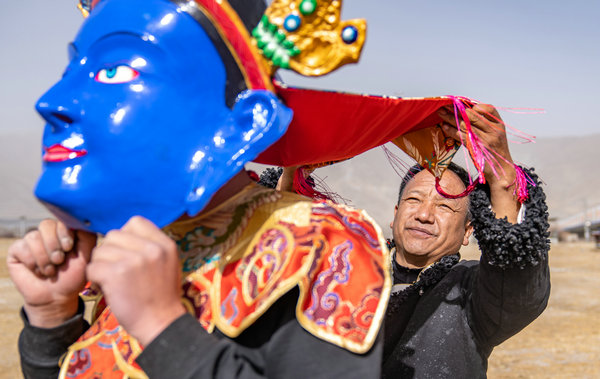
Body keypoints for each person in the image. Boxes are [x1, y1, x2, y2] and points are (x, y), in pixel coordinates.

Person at [8, 0, 391, 378]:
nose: (51, 101)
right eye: (73, 68)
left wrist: (162, 327)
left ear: (242, 124)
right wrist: (52, 320)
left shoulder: (320, 244)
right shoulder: (135, 249)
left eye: (113, 71)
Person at [381, 104, 551, 378]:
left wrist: (503, 176)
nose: (424, 215)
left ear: (467, 231)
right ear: (395, 214)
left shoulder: (471, 291)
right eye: (413, 200)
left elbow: (517, 283)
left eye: (445, 207)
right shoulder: (350, 273)